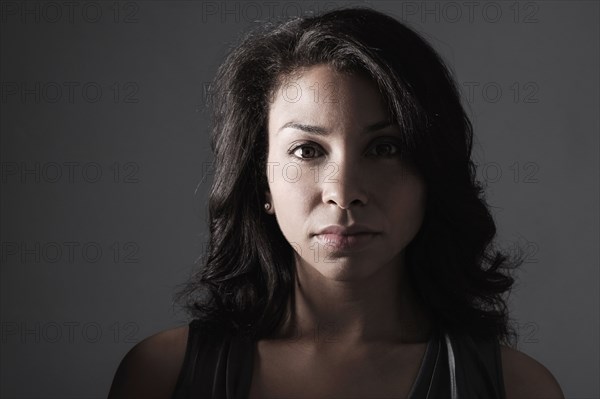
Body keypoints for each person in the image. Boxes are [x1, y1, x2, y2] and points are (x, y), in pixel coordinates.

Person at [108, 7, 565, 399]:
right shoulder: (160, 377)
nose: (343, 192)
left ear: (433, 173)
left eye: (385, 148)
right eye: (307, 150)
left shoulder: (519, 388)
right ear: (260, 183)